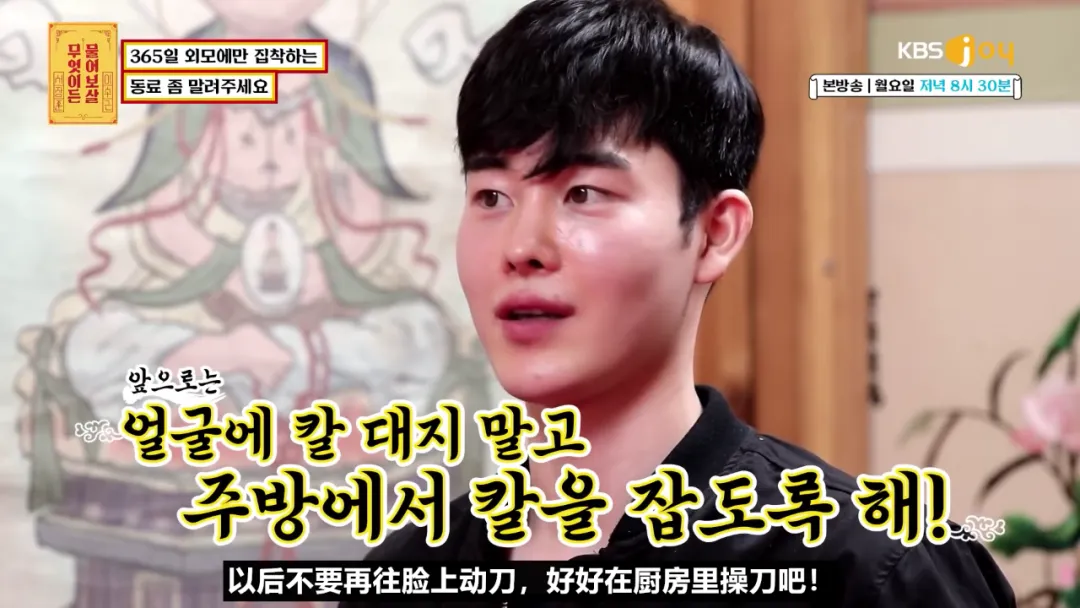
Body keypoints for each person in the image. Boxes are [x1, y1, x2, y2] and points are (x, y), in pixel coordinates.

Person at [352, 0, 1017, 606]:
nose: (522, 247)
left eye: (583, 193)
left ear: (714, 233)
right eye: (492, 197)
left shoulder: (869, 569)